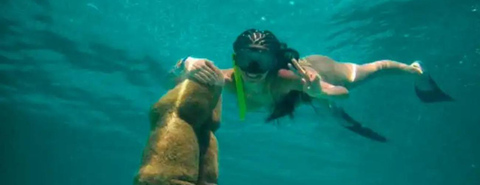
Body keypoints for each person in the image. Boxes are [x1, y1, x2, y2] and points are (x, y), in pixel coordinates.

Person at [169, 29, 452, 142]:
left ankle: (416, 71)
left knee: (368, 74)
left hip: (317, 73)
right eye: (246, 59)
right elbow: (176, 77)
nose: (253, 69)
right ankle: (332, 113)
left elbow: (339, 93)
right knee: (327, 110)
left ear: (274, 60)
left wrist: (319, 90)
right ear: (235, 58)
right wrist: (187, 64)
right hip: (305, 91)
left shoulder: (287, 78)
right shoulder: (223, 78)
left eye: (262, 60)